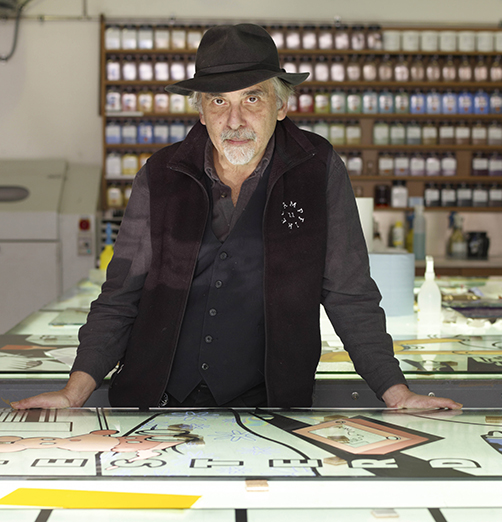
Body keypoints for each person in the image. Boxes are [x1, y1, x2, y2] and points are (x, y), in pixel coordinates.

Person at [12, 24, 460, 411]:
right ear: (201, 111)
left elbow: (348, 291)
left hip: (270, 401)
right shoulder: (161, 173)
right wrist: (75, 392)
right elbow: (120, 294)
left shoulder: (318, 168)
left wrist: (395, 391)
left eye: (252, 98)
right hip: (154, 399)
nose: (235, 119)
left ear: (281, 106)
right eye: (218, 102)